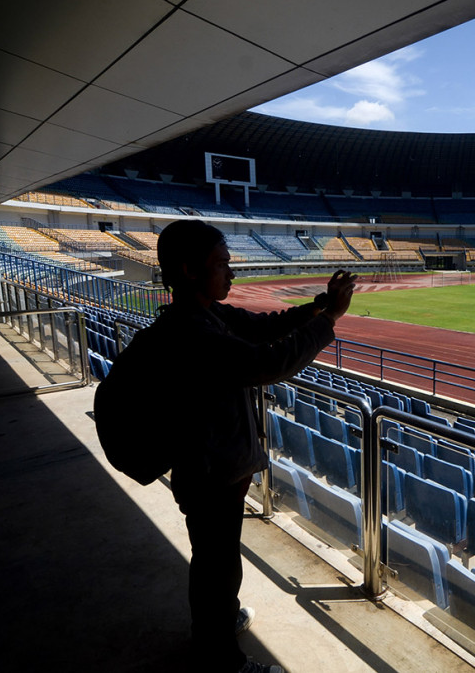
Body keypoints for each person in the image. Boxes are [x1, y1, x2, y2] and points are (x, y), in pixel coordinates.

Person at [154, 219, 355, 673]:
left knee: (215, 560)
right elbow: (269, 360)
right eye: (222, 263)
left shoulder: (205, 314)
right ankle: (221, 658)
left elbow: (267, 327)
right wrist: (329, 321)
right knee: (216, 565)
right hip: (211, 472)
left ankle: (218, 623)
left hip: (213, 467)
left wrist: (317, 307)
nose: (231, 273)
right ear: (188, 270)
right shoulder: (195, 332)